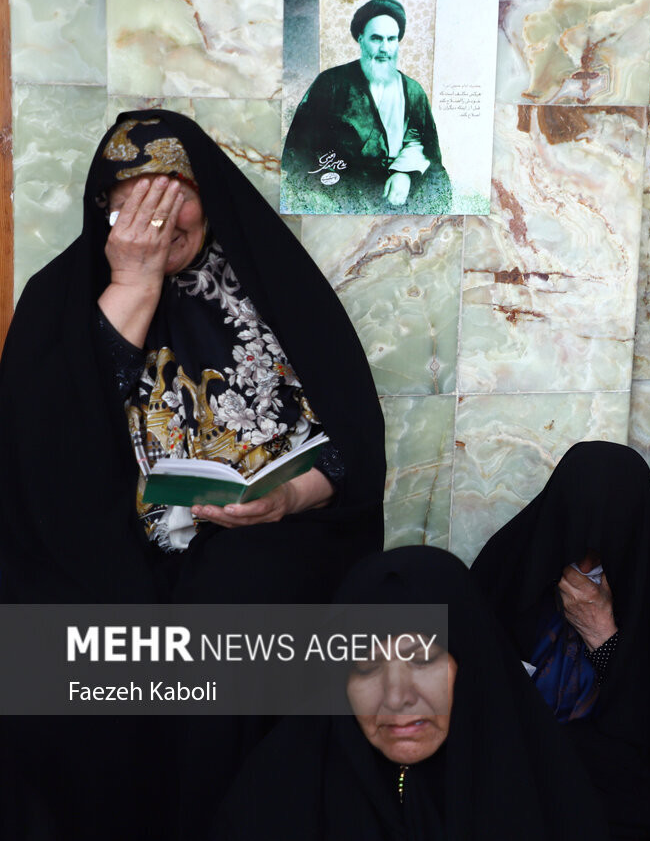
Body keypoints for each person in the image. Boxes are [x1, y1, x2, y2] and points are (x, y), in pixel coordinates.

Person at [0, 110, 386, 839]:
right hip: (107, 543)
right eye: (132, 203)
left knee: (234, 601)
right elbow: (41, 461)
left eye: (172, 196)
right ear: (104, 212)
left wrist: (286, 498)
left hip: (266, 539)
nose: (154, 222)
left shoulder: (271, 284)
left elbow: (353, 449)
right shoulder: (61, 298)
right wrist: (133, 284)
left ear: (210, 194)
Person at [215, 546, 609, 840]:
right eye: (365, 666)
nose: (396, 696)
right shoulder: (274, 799)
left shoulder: (551, 798)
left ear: (469, 666)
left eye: (422, 661)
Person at [470, 441, 650, 840]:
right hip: (516, 770)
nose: (585, 564)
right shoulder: (510, 564)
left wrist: (604, 636)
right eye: (576, 535)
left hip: (621, 791)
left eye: (603, 546)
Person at [282, 0, 451, 215]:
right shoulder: (331, 82)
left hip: (399, 183)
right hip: (346, 184)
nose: (385, 48)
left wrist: (405, 173)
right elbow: (301, 148)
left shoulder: (412, 90)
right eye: (376, 39)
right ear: (361, 39)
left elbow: (420, 142)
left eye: (391, 39)